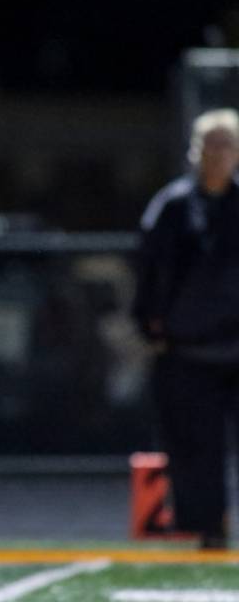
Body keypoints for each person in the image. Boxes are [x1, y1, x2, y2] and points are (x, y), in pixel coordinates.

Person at [133, 107, 239, 549]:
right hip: (187, 351)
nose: (216, 154)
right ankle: (208, 528)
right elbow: (147, 272)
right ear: (194, 150)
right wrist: (151, 328)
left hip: (236, 346)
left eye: (226, 144)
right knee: (194, 449)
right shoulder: (172, 206)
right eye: (209, 144)